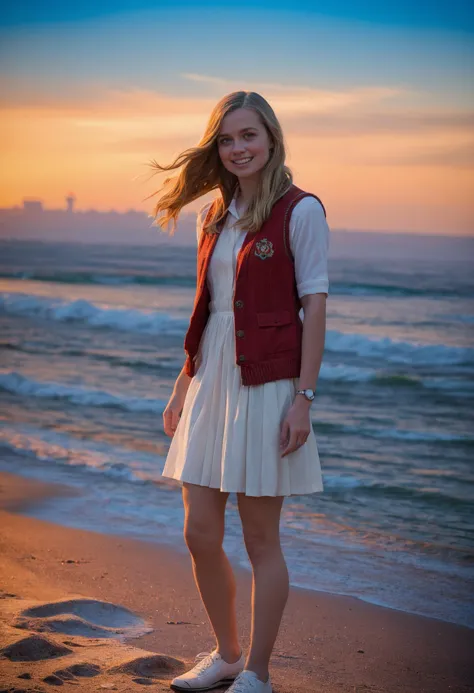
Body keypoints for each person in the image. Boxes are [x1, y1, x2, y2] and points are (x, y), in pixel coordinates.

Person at [149, 91, 330, 693]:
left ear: (271, 138)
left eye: (248, 136)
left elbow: (314, 309)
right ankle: (225, 655)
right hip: (211, 382)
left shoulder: (301, 211)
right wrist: (182, 385)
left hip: (269, 384)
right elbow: (207, 311)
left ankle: (257, 671)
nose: (238, 148)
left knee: (260, 538)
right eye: (226, 140)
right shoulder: (213, 217)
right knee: (199, 531)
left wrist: (304, 399)